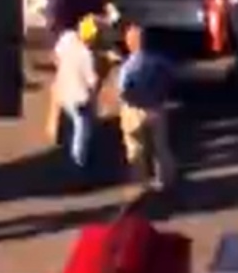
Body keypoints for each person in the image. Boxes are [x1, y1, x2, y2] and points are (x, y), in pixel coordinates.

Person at [114, 24, 176, 189]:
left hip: (135, 110)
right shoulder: (160, 62)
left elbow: (121, 90)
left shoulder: (127, 67)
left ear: (130, 43)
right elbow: (172, 76)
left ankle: (140, 182)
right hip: (157, 107)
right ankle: (165, 179)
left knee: (135, 148)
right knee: (161, 146)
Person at [49, 14, 102, 171]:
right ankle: (78, 160)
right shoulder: (87, 55)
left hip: (64, 91)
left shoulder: (67, 38)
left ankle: (62, 143)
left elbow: (55, 56)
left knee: (69, 119)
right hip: (80, 97)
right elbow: (93, 81)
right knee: (82, 127)